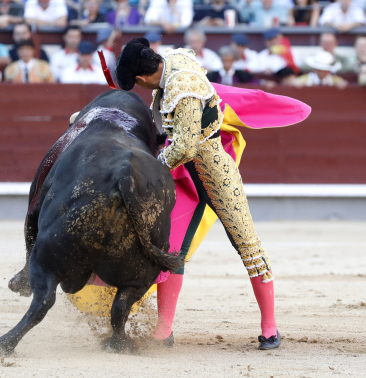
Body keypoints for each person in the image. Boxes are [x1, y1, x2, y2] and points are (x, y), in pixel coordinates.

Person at [114, 37, 284, 351]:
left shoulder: (181, 89)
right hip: (181, 172)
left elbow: (185, 147)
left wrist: (151, 164)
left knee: (247, 242)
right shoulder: (174, 57)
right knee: (172, 247)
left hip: (213, 170)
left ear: (140, 78)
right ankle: (163, 331)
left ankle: (270, 326)